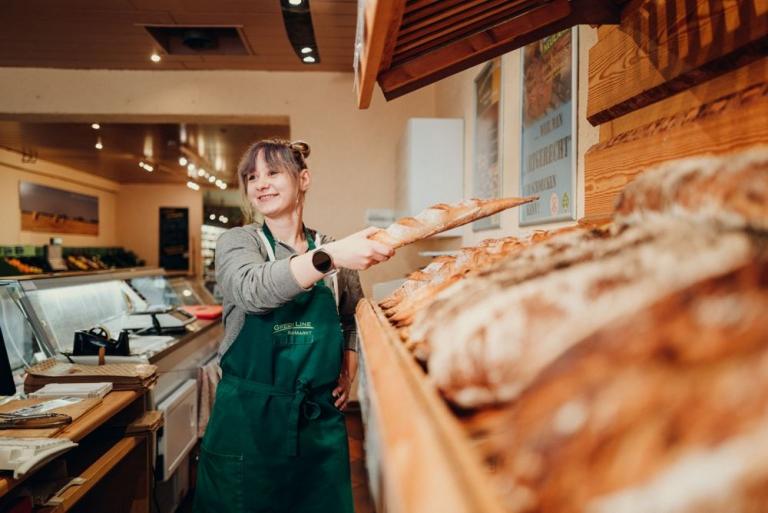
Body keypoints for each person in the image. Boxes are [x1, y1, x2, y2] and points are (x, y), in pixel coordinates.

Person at [194, 138, 394, 513]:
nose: (260, 183)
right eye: (252, 177)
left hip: (317, 423)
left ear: (303, 179)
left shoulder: (332, 246)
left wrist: (348, 366)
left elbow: (350, 315)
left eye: (273, 172)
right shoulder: (238, 243)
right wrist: (329, 257)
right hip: (249, 422)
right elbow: (254, 290)